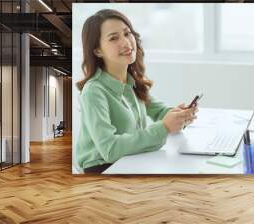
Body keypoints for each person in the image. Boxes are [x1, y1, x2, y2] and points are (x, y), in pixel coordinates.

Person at [76, 9, 198, 174]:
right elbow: (110, 149)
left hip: (130, 160)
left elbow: (159, 110)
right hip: (103, 168)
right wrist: (164, 127)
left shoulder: (129, 81)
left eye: (127, 34)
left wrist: (180, 116)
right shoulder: (93, 91)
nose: (126, 42)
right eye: (114, 38)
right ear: (97, 51)